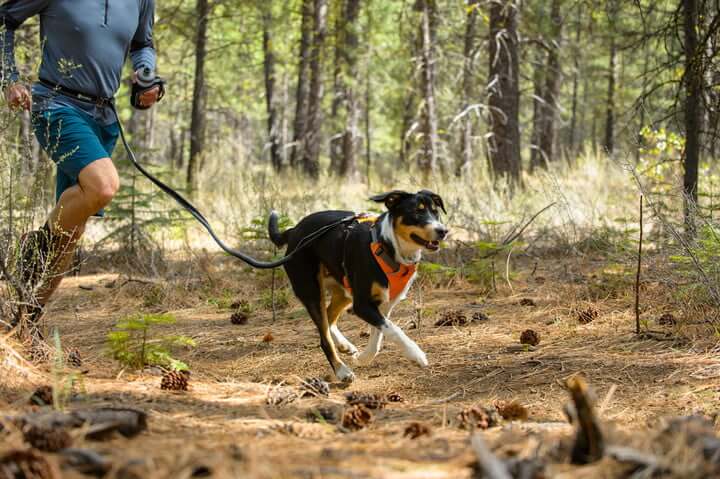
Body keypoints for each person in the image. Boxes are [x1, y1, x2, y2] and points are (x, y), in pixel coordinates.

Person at [0, 0, 161, 327]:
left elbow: (143, 45)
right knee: (104, 186)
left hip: (104, 115)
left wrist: (147, 77)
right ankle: (36, 247)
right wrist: (9, 78)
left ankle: (25, 322)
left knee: (72, 231)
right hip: (55, 103)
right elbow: (5, 21)